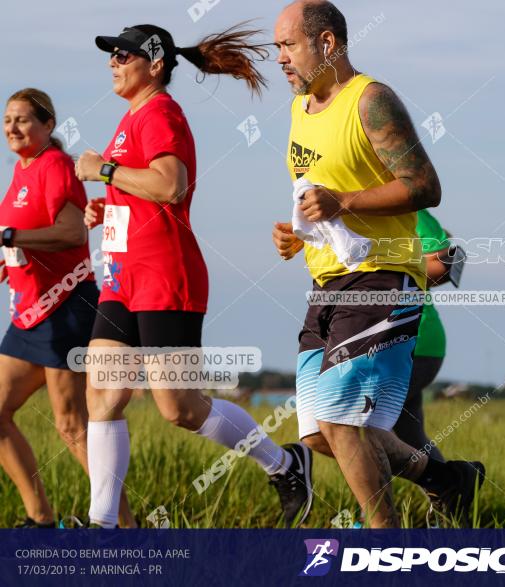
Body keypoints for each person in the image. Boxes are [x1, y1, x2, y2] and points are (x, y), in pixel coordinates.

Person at [74, 23, 311, 528]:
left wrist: (107, 172)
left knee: (179, 408)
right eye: (110, 55)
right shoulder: (130, 117)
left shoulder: (161, 112)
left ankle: (286, 465)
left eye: (123, 54)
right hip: (122, 278)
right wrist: (106, 208)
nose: (112, 62)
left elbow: (170, 186)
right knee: (102, 395)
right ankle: (103, 527)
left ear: (154, 64)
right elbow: (143, 193)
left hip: (165, 275)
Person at [271, 0, 484, 528]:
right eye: (276, 48)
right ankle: (445, 479)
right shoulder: (300, 109)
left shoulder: (371, 100)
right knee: (320, 433)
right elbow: (319, 195)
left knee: (342, 424)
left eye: (288, 45)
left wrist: (343, 201)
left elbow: (425, 186)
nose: (279, 59)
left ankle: (385, 543)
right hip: (327, 281)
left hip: (383, 278)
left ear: (326, 44)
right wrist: (301, 234)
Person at [0, 89, 134, 528]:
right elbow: (23, 238)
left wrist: (10, 240)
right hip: (29, 313)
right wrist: (9, 259)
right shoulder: (22, 172)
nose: (13, 128)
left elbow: (73, 233)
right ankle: (40, 520)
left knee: (72, 425)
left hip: (65, 307)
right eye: (7, 121)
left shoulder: (55, 165)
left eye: (23, 120)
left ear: (48, 125)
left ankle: (123, 527)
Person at [393, 210, 457, 462]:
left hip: (416, 344)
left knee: (368, 426)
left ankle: (374, 501)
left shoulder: (414, 213)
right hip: (383, 343)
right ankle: (451, 492)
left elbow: (445, 262)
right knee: (410, 434)